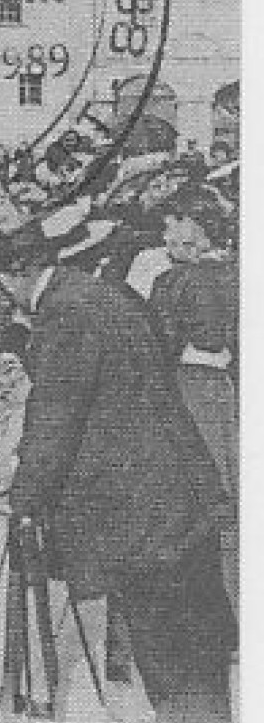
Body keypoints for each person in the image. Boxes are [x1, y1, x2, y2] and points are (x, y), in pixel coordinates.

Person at [0, 216, 235, 723]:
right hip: (181, 494)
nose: (4, 296)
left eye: (1, 282)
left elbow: (55, 419)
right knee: (198, 646)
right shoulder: (103, 294)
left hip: (144, 512)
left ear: (17, 274)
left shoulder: (67, 314)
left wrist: (22, 495)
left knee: (170, 646)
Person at [149, 195, 239, 614]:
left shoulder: (175, 282)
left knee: (195, 491)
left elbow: (158, 343)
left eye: (176, 224)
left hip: (188, 385)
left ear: (197, 233)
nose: (168, 235)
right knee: (230, 486)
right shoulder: (235, 274)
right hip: (225, 386)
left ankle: (203, 606)